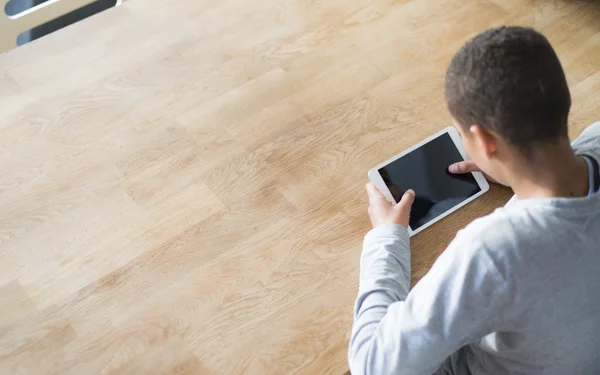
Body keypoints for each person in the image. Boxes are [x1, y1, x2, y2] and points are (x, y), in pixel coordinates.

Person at [348, 26, 600, 375]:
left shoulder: (494, 253)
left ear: (484, 141)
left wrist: (387, 240)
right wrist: (517, 174)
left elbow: (375, 365)